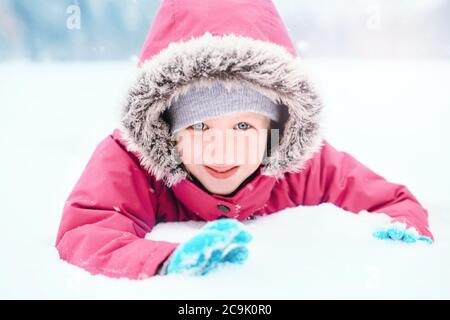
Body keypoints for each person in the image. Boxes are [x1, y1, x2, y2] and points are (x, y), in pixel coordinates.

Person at [55, 0, 434, 280]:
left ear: (276, 130)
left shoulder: (303, 166)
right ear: (165, 129)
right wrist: (167, 260)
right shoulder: (132, 161)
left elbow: (393, 202)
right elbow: (88, 230)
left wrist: (399, 238)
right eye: (200, 127)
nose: (222, 151)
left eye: (242, 128)